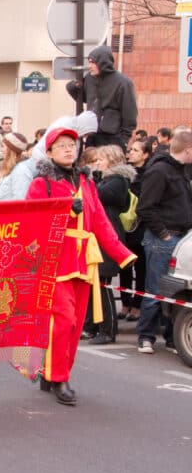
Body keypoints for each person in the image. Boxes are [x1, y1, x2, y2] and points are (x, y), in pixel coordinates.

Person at [27, 128, 135, 406]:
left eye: (72, 145)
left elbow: (100, 221)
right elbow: (33, 223)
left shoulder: (86, 182)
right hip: (55, 259)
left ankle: (55, 372)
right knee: (65, 320)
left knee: (75, 325)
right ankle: (58, 377)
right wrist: (64, 212)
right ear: (49, 151)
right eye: (61, 145)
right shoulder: (42, 184)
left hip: (84, 260)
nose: (68, 149)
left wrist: (122, 254)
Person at [135, 130, 192, 354]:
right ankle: (145, 337)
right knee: (155, 288)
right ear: (188, 150)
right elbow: (145, 207)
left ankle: (171, 337)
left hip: (181, 236)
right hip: (164, 237)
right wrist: (164, 234)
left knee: (176, 291)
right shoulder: (159, 171)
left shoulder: (183, 171)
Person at [87, 145, 136, 345]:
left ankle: (108, 329)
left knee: (104, 286)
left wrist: (91, 180)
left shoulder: (116, 182)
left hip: (107, 236)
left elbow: (95, 196)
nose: (97, 162)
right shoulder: (106, 180)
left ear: (112, 160)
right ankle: (94, 326)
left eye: (101, 159)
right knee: (95, 286)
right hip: (98, 237)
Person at [66, 45, 137, 149]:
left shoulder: (123, 83)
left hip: (113, 136)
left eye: (93, 62)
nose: (90, 66)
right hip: (92, 134)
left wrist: (124, 140)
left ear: (103, 62)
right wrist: (72, 87)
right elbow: (84, 98)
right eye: (89, 62)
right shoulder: (90, 78)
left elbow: (130, 113)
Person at [119, 138, 153, 321]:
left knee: (140, 268)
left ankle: (137, 306)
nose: (130, 152)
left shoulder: (148, 175)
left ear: (146, 155)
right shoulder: (124, 173)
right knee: (124, 266)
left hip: (140, 226)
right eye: (130, 149)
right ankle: (125, 303)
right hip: (125, 226)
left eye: (136, 150)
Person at [0, 132, 32, 201]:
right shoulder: (10, 169)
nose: (2, 150)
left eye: (4, 146)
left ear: (11, 150)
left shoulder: (21, 171)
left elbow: (19, 202)